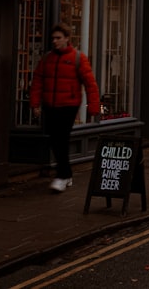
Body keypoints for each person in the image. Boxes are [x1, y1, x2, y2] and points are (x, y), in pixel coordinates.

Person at [30, 23, 100, 192]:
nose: (55, 41)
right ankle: (66, 174)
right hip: (50, 104)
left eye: (58, 38)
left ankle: (61, 176)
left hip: (69, 105)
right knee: (55, 140)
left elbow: (90, 84)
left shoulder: (78, 58)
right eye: (53, 38)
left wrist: (93, 108)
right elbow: (37, 82)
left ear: (67, 39)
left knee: (61, 138)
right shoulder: (47, 58)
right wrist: (35, 103)